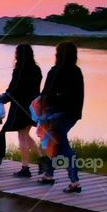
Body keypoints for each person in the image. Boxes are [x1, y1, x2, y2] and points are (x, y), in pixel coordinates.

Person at [37, 42, 85, 193]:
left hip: (55, 114)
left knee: (63, 146)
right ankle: (48, 175)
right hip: (72, 114)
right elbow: (78, 95)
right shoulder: (77, 71)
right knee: (56, 143)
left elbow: (46, 94)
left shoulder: (56, 71)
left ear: (59, 54)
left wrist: (42, 111)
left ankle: (75, 181)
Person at [0, 44, 43, 178]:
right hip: (34, 106)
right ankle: (43, 161)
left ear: (19, 55)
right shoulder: (36, 69)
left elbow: (15, 88)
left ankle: (25, 168)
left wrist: (4, 97)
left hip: (21, 106)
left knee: (22, 136)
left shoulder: (19, 70)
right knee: (26, 134)